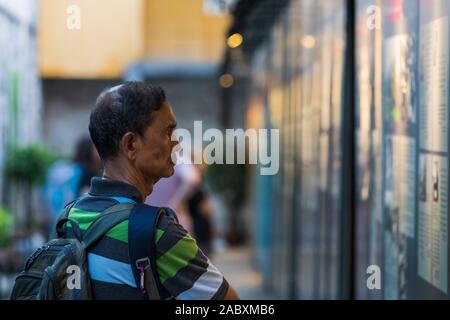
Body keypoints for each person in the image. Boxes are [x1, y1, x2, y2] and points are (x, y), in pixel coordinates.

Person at [66, 81, 239, 300]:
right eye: (168, 131)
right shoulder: (156, 233)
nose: (175, 142)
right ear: (130, 145)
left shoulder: (71, 217)